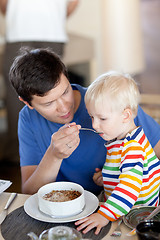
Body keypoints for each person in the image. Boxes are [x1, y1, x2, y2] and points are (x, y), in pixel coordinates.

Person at [9, 47, 160, 196]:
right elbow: (29, 193)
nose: (63, 108)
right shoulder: (28, 118)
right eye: (49, 103)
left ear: (67, 77)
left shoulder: (108, 102)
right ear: (27, 103)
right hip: (65, 209)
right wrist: (54, 156)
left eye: (65, 92)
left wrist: (123, 176)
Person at [75, 71, 160, 235]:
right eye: (92, 117)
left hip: (134, 217)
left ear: (126, 115)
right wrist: (107, 178)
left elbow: (129, 189)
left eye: (102, 118)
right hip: (123, 207)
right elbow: (130, 175)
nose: (95, 125)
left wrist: (103, 216)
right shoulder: (124, 139)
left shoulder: (132, 147)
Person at [0, 0, 79, 161]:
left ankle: (22, 154)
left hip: (22, 29)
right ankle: (42, 151)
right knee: (47, 92)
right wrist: (56, 16)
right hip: (47, 30)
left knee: (39, 92)